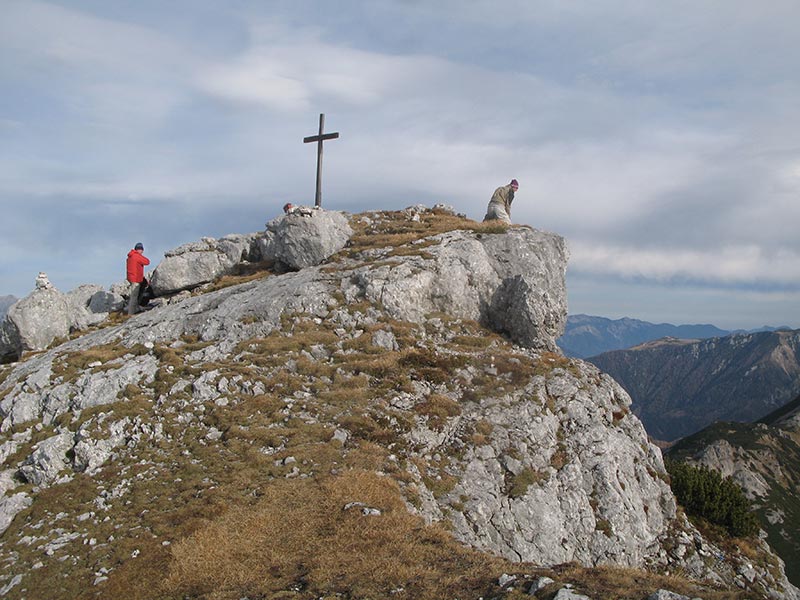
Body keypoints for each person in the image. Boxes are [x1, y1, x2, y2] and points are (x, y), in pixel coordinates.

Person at [126, 242, 150, 315]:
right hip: (135, 278)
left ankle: (135, 308)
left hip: (131, 277)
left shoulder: (130, 256)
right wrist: (140, 256)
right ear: (139, 249)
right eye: (142, 250)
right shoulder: (136, 256)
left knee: (135, 295)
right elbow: (147, 261)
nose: (142, 252)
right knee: (134, 296)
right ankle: (130, 313)